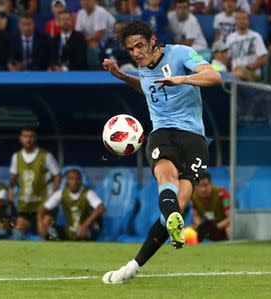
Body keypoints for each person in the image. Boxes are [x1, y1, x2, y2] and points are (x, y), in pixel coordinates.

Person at [102, 19, 221, 284]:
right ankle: (137, 262)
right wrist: (121, 75)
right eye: (131, 50)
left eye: (139, 46)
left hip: (194, 137)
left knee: (177, 200)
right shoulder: (142, 68)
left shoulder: (179, 54)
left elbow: (214, 76)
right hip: (162, 133)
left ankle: (166, 225)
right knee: (166, 178)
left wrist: (183, 79)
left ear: (153, 40)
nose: (135, 53)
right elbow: (147, 89)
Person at [8, 127, 62, 240]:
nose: (28, 139)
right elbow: (13, 176)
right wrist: (11, 189)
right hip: (25, 205)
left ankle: (55, 251)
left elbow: (57, 175)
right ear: (20, 138)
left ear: (35, 138)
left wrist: (54, 193)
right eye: (25, 136)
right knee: (16, 235)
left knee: (46, 233)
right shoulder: (16, 156)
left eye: (31, 136)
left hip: (43, 204)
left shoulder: (46, 156)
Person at [38, 169, 105, 240]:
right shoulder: (61, 194)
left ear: (81, 181)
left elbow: (101, 208)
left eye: (77, 179)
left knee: (88, 231)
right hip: (70, 229)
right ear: (67, 181)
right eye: (71, 179)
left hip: (86, 228)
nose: (74, 182)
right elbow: (42, 209)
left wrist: (86, 224)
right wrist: (40, 224)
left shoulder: (88, 193)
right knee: (48, 229)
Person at [226, 10, 268, 81]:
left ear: (249, 21)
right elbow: (227, 58)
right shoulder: (230, 38)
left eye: (244, 18)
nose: (241, 21)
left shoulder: (256, 36)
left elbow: (263, 58)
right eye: (239, 19)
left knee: (232, 76)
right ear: (235, 21)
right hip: (235, 72)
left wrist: (247, 68)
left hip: (251, 72)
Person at [191, 172, 230, 242]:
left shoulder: (222, 193)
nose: (203, 189)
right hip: (207, 225)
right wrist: (200, 226)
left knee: (229, 228)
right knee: (189, 231)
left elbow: (230, 217)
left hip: (221, 226)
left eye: (206, 185)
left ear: (211, 184)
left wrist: (217, 226)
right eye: (200, 186)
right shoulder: (194, 196)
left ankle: (233, 247)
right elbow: (195, 215)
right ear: (196, 186)